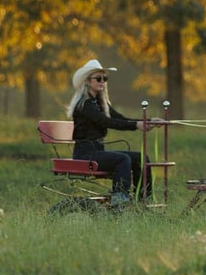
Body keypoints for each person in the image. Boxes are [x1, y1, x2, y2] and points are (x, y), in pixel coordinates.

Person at [66, 59, 163, 206]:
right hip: (85, 154)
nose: (102, 82)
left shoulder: (100, 103)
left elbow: (120, 118)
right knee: (123, 159)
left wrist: (147, 121)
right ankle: (119, 201)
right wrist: (136, 125)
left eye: (104, 79)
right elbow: (106, 122)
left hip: (97, 151)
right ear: (87, 81)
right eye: (98, 78)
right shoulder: (85, 104)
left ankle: (144, 199)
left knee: (141, 158)